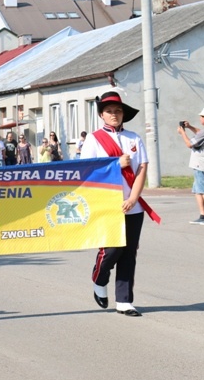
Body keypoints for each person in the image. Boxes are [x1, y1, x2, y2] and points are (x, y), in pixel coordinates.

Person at [81, 90, 156, 317]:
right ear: (102, 115)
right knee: (112, 249)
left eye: (118, 111)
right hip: (107, 204)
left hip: (133, 205)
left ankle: (124, 301)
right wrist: (117, 164)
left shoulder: (134, 138)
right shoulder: (94, 139)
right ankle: (99, 277)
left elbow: (142, 168)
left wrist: (133, 198)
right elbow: (87, 172)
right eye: (109, 111)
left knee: (129, 253)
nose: (114, 114)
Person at [177, 107, 204, 225]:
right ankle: (203, 215)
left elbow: (189, 144)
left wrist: (183, 133)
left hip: (200, 164)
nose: (200, 118)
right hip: (203, 163)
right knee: (198, 190)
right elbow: (201, 133)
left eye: (201, 116)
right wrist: (190, 127)